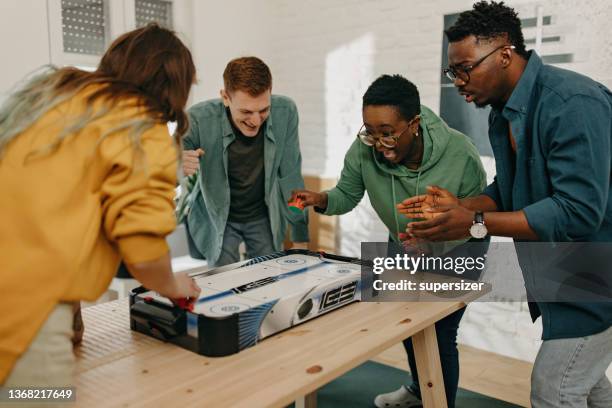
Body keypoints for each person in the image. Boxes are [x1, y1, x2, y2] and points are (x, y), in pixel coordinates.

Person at [399, 2, 612, 407]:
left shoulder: (572, 103)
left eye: (465, 68)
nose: (458, 81)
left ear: (504, 54)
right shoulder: (505, 113)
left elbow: (579, 211)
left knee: (555, 389)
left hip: (597, 277)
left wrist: (474, 221)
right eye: (452, 71)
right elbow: (512, 188)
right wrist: (455, 211)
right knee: (588, 385)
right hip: (568, 276)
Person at [0, 24, 201, 387]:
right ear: (175, 86)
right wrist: (172, 284)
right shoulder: (140, 129)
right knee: (44, 397)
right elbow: (143, 254)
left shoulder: (57, 98)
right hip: (25, 311)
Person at [289, 74, 486, 408]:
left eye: (388, 133)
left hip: (458, 250)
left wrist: (436, 236)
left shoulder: (460, 154)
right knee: (409, 327)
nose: (379, 142)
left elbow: (478, 220)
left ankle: (439, 403)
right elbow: (346, 194)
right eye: (370, 131)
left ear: (414, 124)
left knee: (438, 336)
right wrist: (319, 199)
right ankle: (418, 388)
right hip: (404, 247)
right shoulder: (364, 150)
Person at [181, 56, 309, 266]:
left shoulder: (285, 112)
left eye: (264, 110)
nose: (256, 121)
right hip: (219, 219)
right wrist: (177, 162)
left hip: (263, 216)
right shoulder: (198, 118)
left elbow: (291, 179)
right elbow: (165, 158)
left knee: (269, 278)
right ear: (225, 97)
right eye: (246, 112)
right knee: (224, 283)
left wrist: (300, 236)